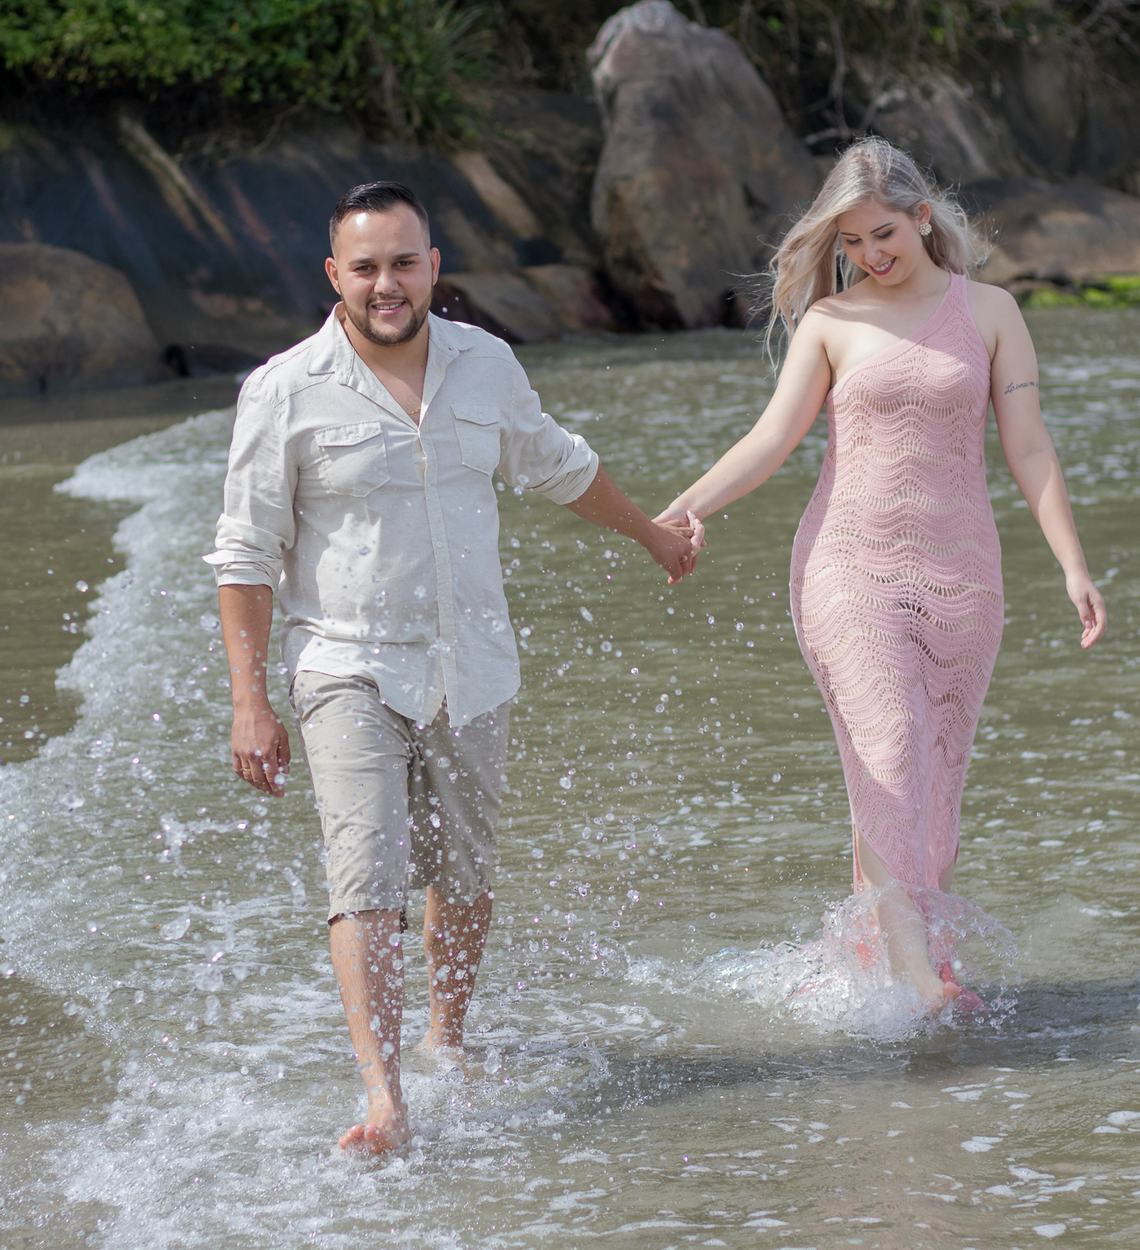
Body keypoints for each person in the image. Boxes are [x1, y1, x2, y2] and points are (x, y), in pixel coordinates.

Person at [207, 180, 698, 1153]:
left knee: (463, 881)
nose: (385, 284)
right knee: (368, 878)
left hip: (472, 666)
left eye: (403, 263)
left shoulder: (487, 366)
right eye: (366, 267)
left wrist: (650, 534)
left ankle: (449, 1035)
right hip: (344, 664)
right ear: (333, 277)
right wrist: (248, 704)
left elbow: (558, 465)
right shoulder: (284, 391)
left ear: (433, 268)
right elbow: (244, 556)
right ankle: (385, 1095)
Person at [656, 137, 1106, 1011]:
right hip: (848, 567)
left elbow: (1029, 448)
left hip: (965, 575)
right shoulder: (830, 323)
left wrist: (1073, 566)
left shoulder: (992, 313)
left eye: (883, 234)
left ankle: (896, 961)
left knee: (932, 782)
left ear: (922, 216)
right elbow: (772, 439)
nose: (870, 255)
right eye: (853, 242)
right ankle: (914, 982)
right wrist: (687, 505)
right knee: (890, 750)